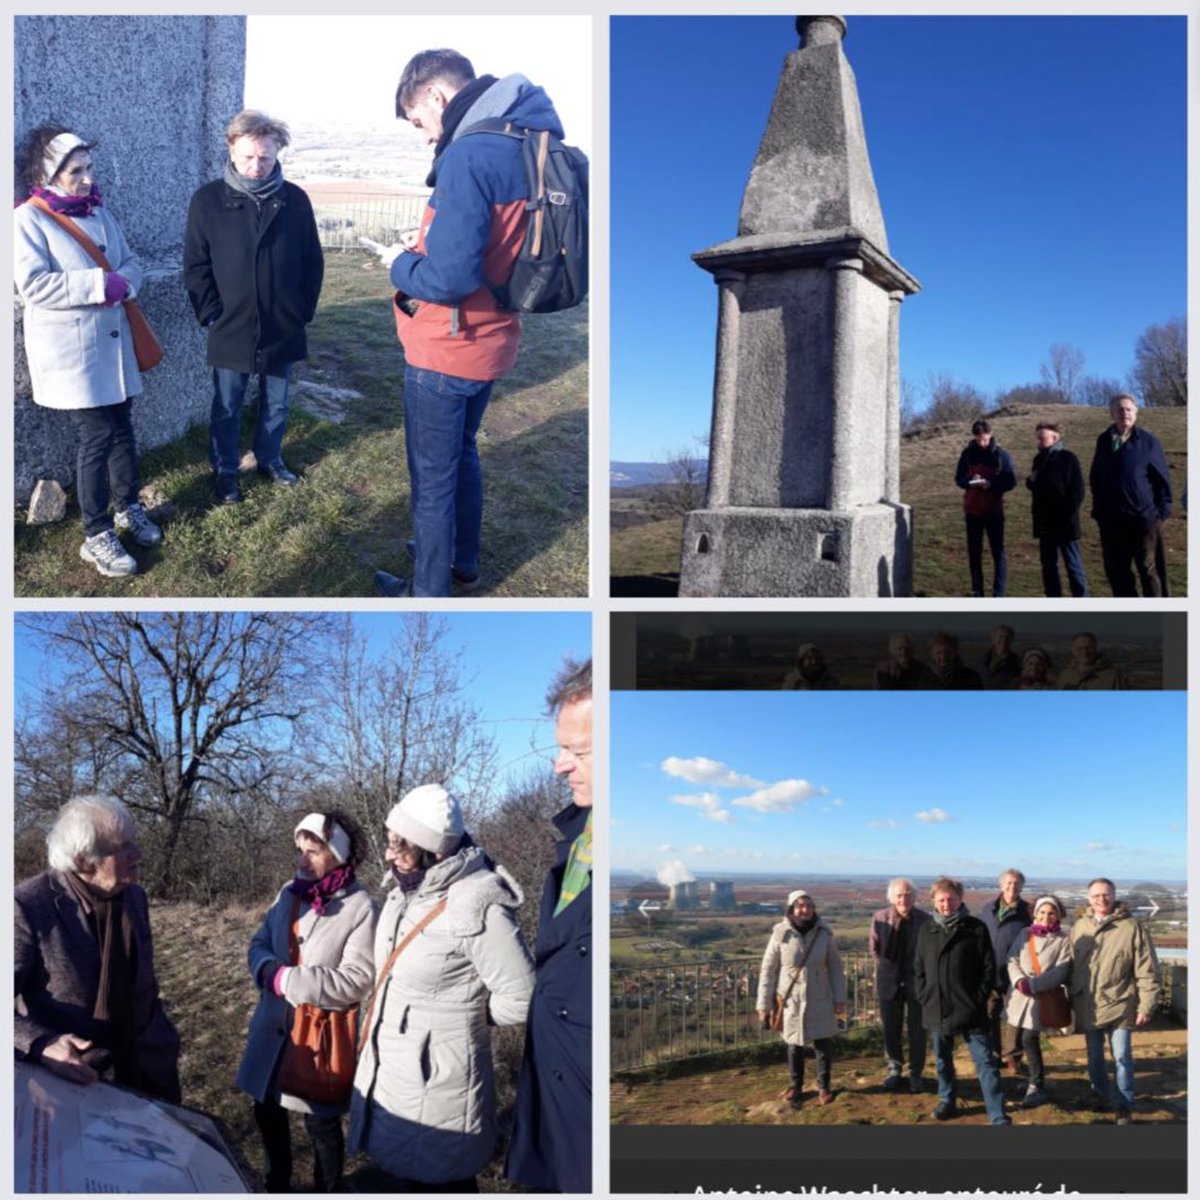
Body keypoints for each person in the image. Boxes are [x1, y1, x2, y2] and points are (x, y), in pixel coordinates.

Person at [371, 50, 572, 597]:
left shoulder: (470, 155)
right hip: (495, 340)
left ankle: (427, 591)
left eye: (418, 121)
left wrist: (400, 263)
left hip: (446, 346)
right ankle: (462, 561)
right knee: (463, 452)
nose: (422, 135)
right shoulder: (535, 142)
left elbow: (449, 277)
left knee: (431, 480)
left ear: (437, 96)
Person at [349, 784, 534, 1190]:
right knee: (398, 1174)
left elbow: (521, 998)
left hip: (439, 1082)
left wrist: (464, 1013)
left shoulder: (476, 902)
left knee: (437, 1181)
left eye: (402, 846)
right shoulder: (404, 891)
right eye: (390, 842)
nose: (388, 854)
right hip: (394, 1067)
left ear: (435, 851)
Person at [14, 125, 163, 577]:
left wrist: (127, 280)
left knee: (122, 429)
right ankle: (96, 534)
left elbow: (131, 261)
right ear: (49, 174)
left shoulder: (100, 213)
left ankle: (127, 507)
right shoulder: (27, 219)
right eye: (75, 171)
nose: (85, 178)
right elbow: (33, 284)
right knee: (97, 437)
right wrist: (99, 283)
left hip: (113, 346)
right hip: (74, 354)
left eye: (88, 168)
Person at [184, 110, 324, 505]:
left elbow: (313, 261)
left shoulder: (294, 200)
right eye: (247, 157)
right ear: (231, 148)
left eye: (264, 157)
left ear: (277, 151)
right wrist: (211, 313)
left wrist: (301, 310)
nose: (256, 166)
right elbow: (195, 265)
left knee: (277, 400)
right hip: (230, 324)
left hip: (284, 322)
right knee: (227, 404)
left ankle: (270, 458)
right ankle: (225, 470)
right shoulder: (208, 200)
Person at [237, 812, 376, 1193]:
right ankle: (276, 1184)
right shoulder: (288, 892)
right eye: (300, 850)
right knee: (266, 1111)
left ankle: (326, 1190)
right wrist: (265, 968)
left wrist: (290, 981)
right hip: (272, 1028)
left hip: (318, 1039)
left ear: (338, 854)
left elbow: (358, 979)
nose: (302, 860)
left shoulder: (360, 906)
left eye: (313, 851)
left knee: (320, 1128)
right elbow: (258, 942)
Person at [15, 795, 180, 1101]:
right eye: (122, 847)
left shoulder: (134, 897)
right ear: (82, 860)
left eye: (134, 842)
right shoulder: (26, 906)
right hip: (76, 1084)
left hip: (153, 1070)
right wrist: (40, 1044)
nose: (138, 854)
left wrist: (165, 1037)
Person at [507, 658, 593, 1191]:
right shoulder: (577, 843)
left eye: (580, 752)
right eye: (563, 749)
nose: (561, 766)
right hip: (552, 1108)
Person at [913, 876, 1009, 1124]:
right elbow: (919, 969)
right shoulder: (926, 930)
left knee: (986, 1062)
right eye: (942, 899)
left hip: (970, 1008)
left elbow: (989, 969)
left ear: (960, 900)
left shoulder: (975, 928)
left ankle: (997, 1114)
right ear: (933, 900)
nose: (946, 904)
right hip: (936, 1007)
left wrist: (978, 998)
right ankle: (947, 1101)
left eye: (951, 899)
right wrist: (925, 995)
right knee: (943, 1062)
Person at [1069, 878, 1160, 1125]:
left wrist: (1146, 1004)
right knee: (1094, 1056)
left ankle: (1123, 1105)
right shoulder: (1080, 927)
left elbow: (1147, 969)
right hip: (1089, 1004)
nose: (1102, 899)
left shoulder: (1131, 927)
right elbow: (1070, 965)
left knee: (1121, 1057)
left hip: (1121, 1003)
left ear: (1114, 895)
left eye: (1106, 894)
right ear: (1089, 898)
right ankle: (1099, 1095)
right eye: (1096, 895)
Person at [756, 889, 847, 1109]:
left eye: (808, 905)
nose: (804, 909)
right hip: (790, 997)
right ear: (791, 908)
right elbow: (768, 969)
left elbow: (835, 966)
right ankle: (795, 1085)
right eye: (799, 905)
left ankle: (824, 1086)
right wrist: (763, 1004)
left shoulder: (824, 933)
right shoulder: (780, 933)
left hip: (819, 995)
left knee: (823, 1042)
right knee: (794, 1043)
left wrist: (839, 997)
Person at [1088, 394, 1172, 597]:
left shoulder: (1148, 442)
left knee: (1148, 570)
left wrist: (1161, 511)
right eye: (1119, 409)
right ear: (1112, 414)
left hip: (1143, 518)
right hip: (1112, 521)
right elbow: (1096, 477)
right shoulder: (1104, 441)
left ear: (1135, 413)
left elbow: (1162, 480)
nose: (1124, 413)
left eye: (1128, 409)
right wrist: (1099, 510)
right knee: (1118, 572)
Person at [1006, 895, 1072, 1109]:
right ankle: (1034, 1079)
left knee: (1028, 1039)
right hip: (1020, 996)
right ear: (1035, 914)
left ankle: (1037, 1085)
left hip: (1041, 997)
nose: (1046, 916)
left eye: (1051, 913)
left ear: (1058, 915)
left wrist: (1033, 985)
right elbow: (1012, 958)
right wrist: (1019, 981)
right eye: (1042, 912)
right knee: (1023, 1039)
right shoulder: (1024, 934)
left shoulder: (1063, 940)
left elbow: (1061, 971)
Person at [869, 878, 931, 1093]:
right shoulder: (879, 918)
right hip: (889, 982)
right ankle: (894, 1068)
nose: (903, 898)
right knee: (890, 1030)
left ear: (915, 896)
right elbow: (874, 949)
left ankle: (915, 1073)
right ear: (891, 897)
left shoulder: (925, 919)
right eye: (899, 895)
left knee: (918, 1031)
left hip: (917, 983)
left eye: (907, 894)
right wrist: (889, 969)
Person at [954, 419, 1016, 598]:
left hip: (993, 510)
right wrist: (970, 481)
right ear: (974, 437)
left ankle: (999, 593)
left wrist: (992, 484)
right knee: (974, 552)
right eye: (979, 439)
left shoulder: (1001, 455)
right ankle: (977, 591)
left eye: (985, 439)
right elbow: (959, 478)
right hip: (972, 509)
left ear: (991, 435)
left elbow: (1010, 481)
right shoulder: (967, 454)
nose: (982, 443)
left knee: (998, 552)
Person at [1026, 422, 1088, 597]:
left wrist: (1068, 513)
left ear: (1055, 438)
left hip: (1065, 522)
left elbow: (1078, 490)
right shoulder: (1038, 460)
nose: (1038, 441)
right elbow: (1036, 485)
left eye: (1042, 437)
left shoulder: (1068, 458)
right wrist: (1031, 481)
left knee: (1073, 565)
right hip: (1044, 523)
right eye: (1037, 437)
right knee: (1049, 566)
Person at [981, 869, 1032, 1076]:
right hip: (991, 970)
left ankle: (1013, 1057)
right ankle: (994, 1055)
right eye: (1009, 883)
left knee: (1015, 1017)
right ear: (1001, 885)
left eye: (1017, 883)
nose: (1013, 887)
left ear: (1022, 887)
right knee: (990, 1014)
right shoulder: (988, 909)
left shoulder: (1027, 911)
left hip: (1016, 971)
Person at [1057, 632, 1125, 691]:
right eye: (1079, 649)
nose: (1084, 652)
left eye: (1088, 648)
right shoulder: (1065, 675)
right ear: (1073, 651)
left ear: (1095, 649)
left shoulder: (1112, 675)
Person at [977, 623, 1020, 689]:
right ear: (993, 639)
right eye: (1000, 637)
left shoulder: (1017, 663)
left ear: (1011, 640)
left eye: (1007, 637)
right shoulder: (981, 660)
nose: (1004, 640)